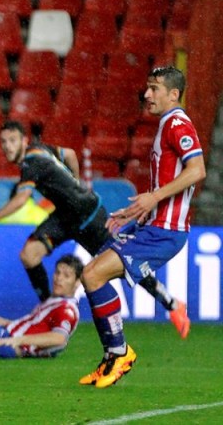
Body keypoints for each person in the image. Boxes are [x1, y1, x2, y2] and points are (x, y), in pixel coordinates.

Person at [0, 121, 189, 338]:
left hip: (89, 216)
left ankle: (171, 303)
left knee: (123, 264)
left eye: (12, 140)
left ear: (24, 141)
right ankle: (52, 310)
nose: (8, 146)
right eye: (4, 142)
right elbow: (70, 155)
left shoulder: (32, 163)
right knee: (29, 255)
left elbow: (22, 198)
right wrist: (75, 181)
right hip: (66, 216)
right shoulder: (42, 149)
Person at [78, 66, 206, 389]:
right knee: (93, 271)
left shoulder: (177, 123)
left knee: (94, 274)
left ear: (173, 94)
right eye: (147, 88)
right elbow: (160, 189)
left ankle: (118, 353)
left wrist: (154, 198)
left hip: (166, 231)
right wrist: (134, 214)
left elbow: (198, 169)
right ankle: (115, 354)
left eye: (155, 88)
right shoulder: (166, 125)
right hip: (152, 226)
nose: (147, 95)